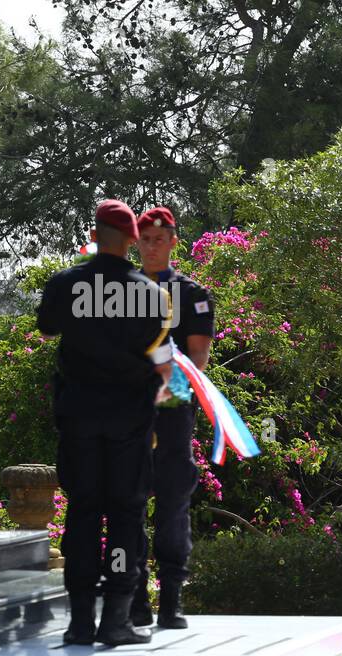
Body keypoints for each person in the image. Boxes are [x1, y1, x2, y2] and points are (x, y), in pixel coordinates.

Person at [36, 200, 172, 647]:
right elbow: (159, 356)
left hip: (78, 419)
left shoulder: (65, 284)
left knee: (82, 514)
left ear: (94, 234)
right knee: (124, 517)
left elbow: (47, 328)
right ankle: (116, 618)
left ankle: (79, 622)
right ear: (133, 237)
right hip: (129, 424)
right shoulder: (153, 294)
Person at [129, 206, 215, 629]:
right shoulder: (118, 291)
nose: (151, 245)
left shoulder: (191, 294)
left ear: (173, 243)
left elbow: (198, 355)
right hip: (126, 410)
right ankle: (134, 596)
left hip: (174, 407)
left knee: (172, 500)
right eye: (144, 238)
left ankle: (172, 597)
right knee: (128, 499)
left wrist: (167, 380)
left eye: (159, 239)